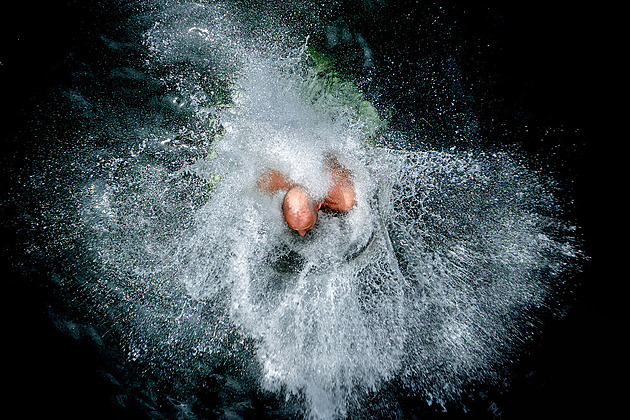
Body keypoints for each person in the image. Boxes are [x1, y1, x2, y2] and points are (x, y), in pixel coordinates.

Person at [257, 155, 356, 236]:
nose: (302, 234)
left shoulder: (343, 199)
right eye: (295, 228)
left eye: (306, 228)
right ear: (281, 206)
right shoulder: (267, 183)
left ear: (319, 205)